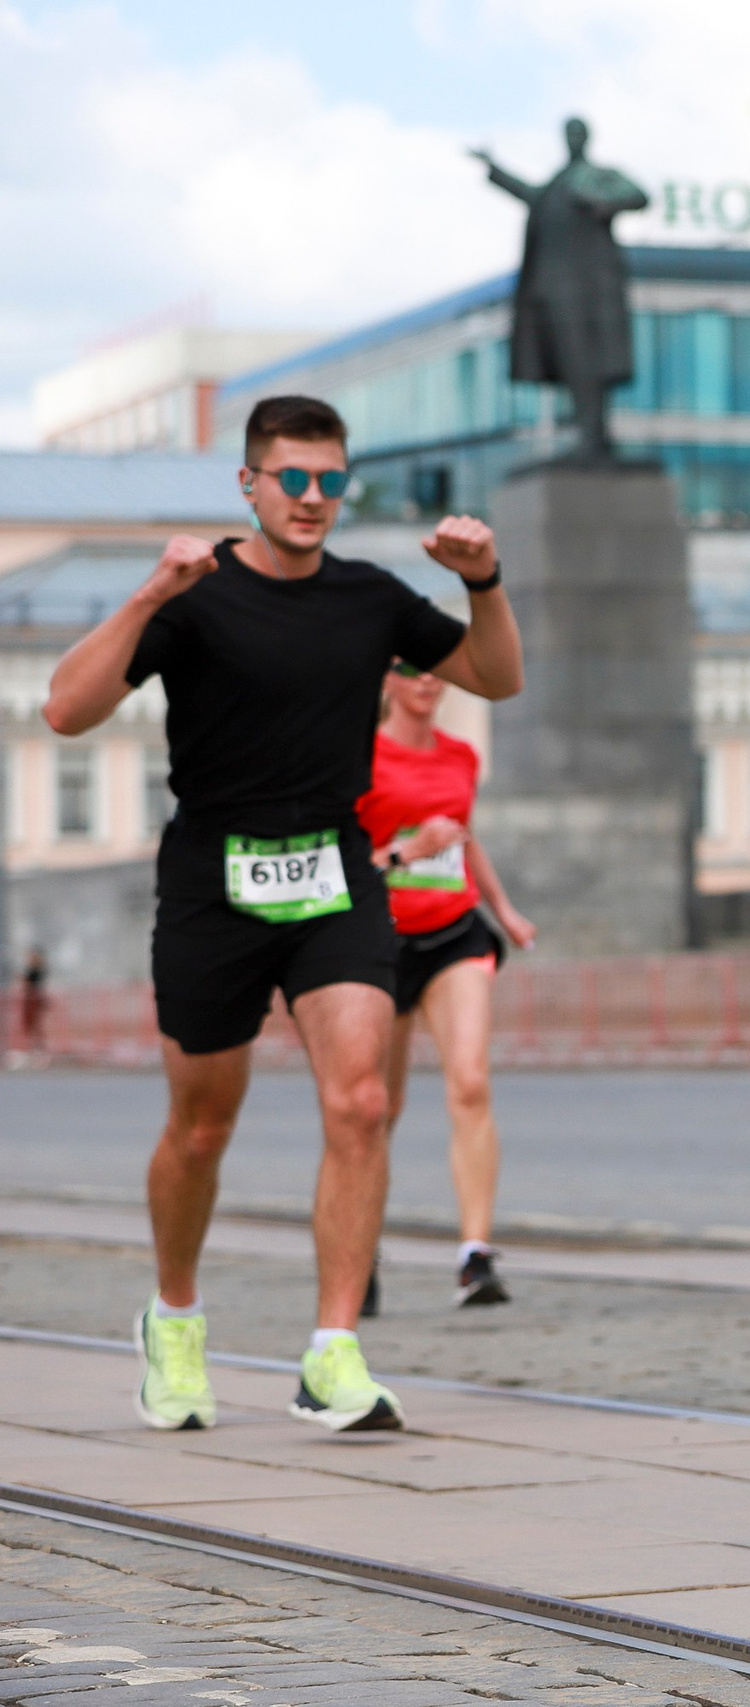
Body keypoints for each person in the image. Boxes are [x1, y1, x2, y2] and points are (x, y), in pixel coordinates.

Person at [41, 394, 523, 1434]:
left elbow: (497, 674)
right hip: (213, 876)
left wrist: (482, 582)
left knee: (359, 1104)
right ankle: (173, 1319)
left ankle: (333, 1352)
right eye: (292, 479)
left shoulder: (370, 598)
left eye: (331, 481)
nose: (312, 500)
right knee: (202, 1124)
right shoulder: (196, 593)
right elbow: (65, 710)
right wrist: (149, 593)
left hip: (334, 872)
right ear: (249, 484)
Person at [357, 661, 538, 1308]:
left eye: (437, 670)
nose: (427, 681)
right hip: (378, 940)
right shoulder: (360, 754)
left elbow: (463, 839)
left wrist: (505, 909)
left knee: (470, 1080)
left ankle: (475, 1255)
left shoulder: (460, 755)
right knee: (378, 1105)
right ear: (386, 679)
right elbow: (348, 860)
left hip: (454, 931)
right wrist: (406, 852)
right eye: (411, 670)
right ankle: (360, 1247)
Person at [16, 948, 46, 1054]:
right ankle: (32, 1047)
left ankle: (37, 1048)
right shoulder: (32, 970)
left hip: (33, 1000)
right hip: (30, 1000)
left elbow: (29, 983)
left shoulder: (37, 971)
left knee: (35, 1025)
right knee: (30, 1025)